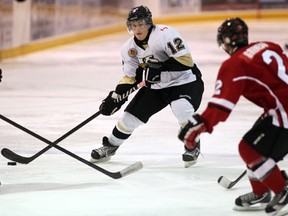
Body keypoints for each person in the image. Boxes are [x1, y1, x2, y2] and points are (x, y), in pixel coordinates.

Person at [178, 17, 288, 215]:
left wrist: (198, 127)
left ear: (225, 42)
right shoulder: (267, 45)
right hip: (278, 109)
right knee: (253, 141)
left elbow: (221, 107)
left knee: (248, 149)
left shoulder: (234, 64)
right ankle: (261, 192)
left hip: (284, 111)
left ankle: (282, 188)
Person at [90, 5, 204, 168]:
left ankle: (192, 147)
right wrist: (116, 97)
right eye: (134, 25)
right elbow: (131, 78)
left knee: (182, 110)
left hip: (184, 82)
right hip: (156, 87)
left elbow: (186, 62)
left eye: (141, 24)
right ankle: (111, 145)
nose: (137, 29)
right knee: (129, 118)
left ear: (149, 23)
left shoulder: (166, 34)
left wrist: (160, 67)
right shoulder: (128, 49)